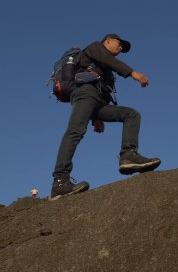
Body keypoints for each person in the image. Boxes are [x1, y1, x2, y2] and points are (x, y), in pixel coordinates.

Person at [51, 33, 161, 200]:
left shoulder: (105, 68)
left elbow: (101, 88)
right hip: (84, 94)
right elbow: (100, 73)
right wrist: (132, 73)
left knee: (131, 115)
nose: (121, 48)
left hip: (97, 102)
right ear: (107, 41)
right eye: (119, 43)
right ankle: (59, 181)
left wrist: (98, 117)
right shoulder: (95, 47)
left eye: (123, 47)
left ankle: (128, 155)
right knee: (75, 131)